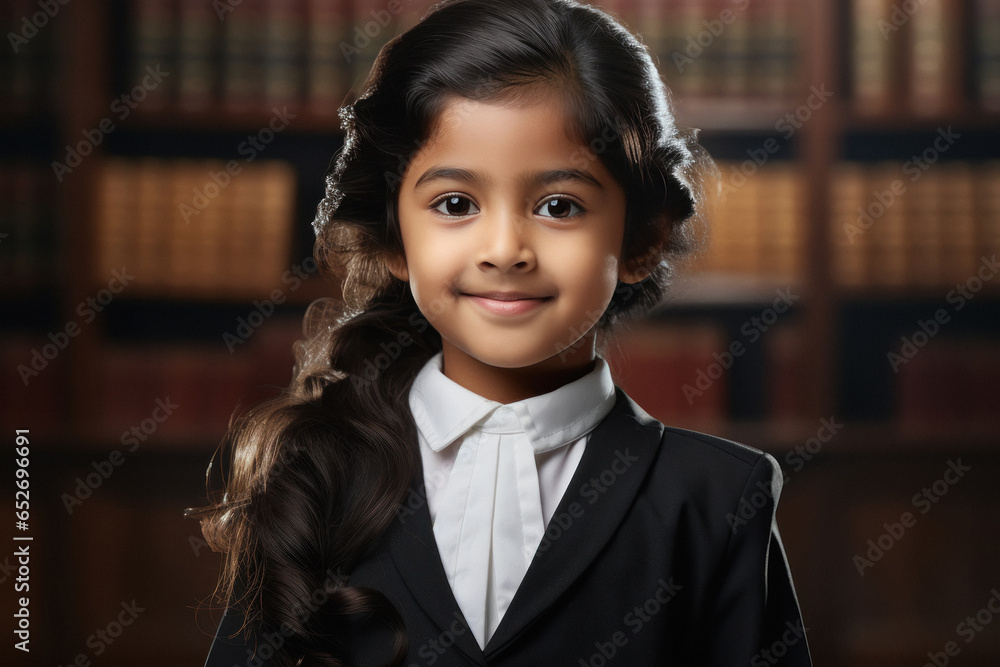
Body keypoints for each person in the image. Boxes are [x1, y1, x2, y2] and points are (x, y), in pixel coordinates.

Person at [194, 0, 812, 665]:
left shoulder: (716, 497)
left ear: (642, 238)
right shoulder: (310, 478)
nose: (505, 249)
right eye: (455, 204)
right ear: (394, 236)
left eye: (559, 206)